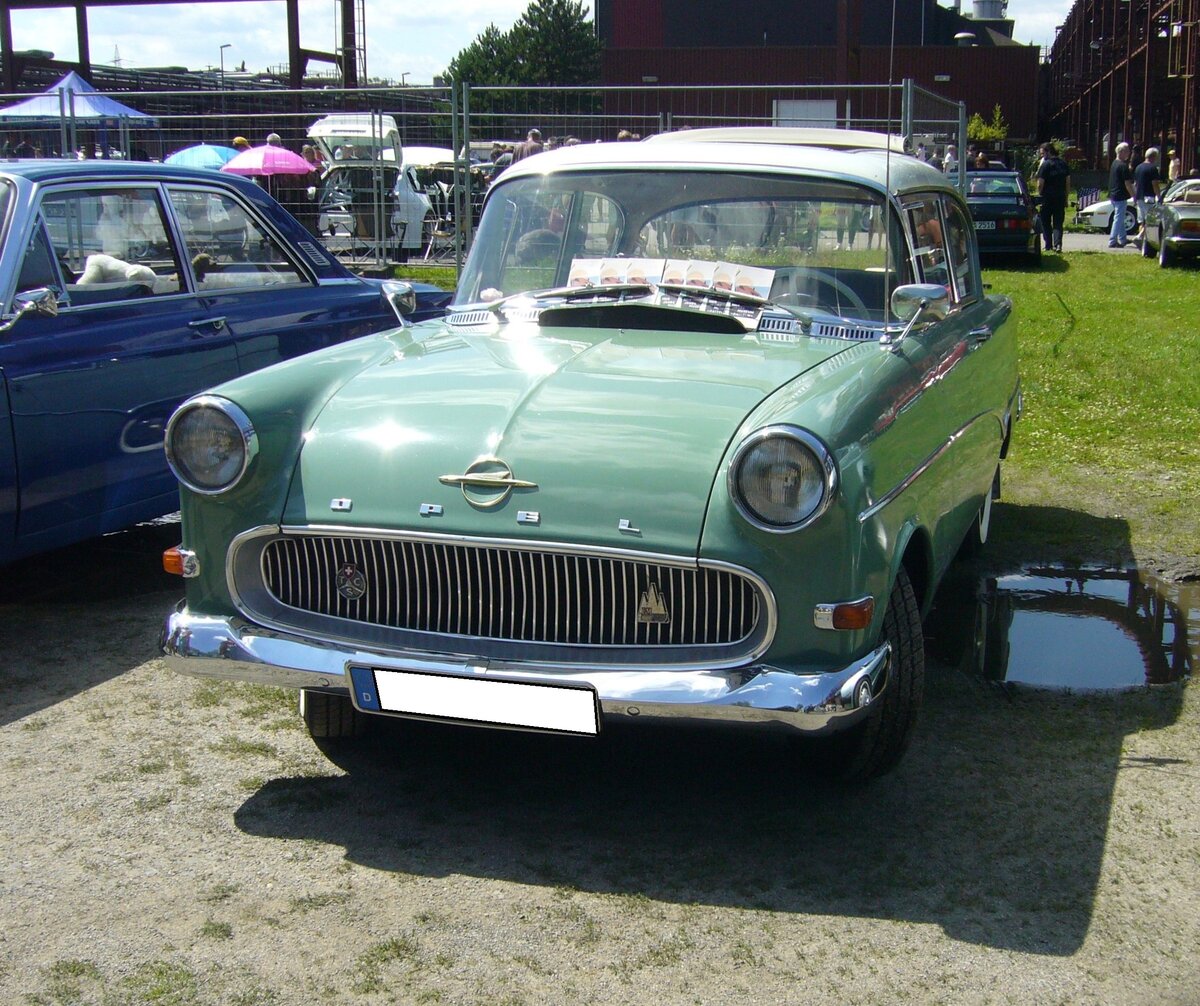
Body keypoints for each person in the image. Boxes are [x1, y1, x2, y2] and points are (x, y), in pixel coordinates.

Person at [1035, 141, 1071, 253]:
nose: (1042, 156)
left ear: (1048, 152)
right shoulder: (1064, 164)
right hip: (1060, 196)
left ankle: (1048, 245)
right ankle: (1058, 244)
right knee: (1058, 222)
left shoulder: (1045, 165)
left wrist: (1039, 194)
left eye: (1042, 153)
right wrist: (1066, 197)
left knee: (1045, 221)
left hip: (1047, 197)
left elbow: (1040, 183)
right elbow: (1068, 183)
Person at [1132, 146, 1162, 244]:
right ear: (1154, 157)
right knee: (1151, 219)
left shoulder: (1138, 167)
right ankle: (1141, 237)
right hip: (1149, 197)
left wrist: (1135, 196)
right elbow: (1155, 184)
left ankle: (1142, 240)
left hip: (1139, 196)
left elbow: (1135, 183)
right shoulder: (1153, 168)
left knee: (1142, 220)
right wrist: (1159, 196)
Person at [1107, 141, 1135, 248]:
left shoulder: (1114, 163)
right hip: (1120, 195)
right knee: (1118, 218)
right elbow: (1128, 184)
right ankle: (1112, 240)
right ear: (1122, 152)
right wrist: (1134, 196)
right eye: (1127, 151)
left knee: (1120, 216)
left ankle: (1123, 238)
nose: (1128, 154)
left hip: (1113, 194)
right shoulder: (1123, 166)